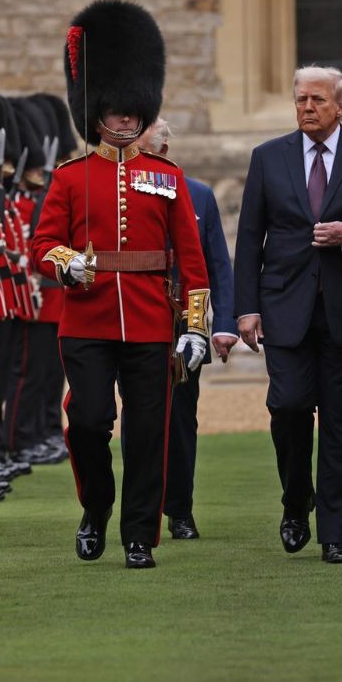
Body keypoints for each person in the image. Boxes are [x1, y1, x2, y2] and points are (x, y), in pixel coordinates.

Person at [31, 0, 210, 569]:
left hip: (152, 321)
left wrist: (196, 327)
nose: (127, 118)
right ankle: (96, 508)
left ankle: (139, 536)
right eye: (116, 108)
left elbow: (190, 260)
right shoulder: (70, 177)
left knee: (148, 434)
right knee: (87, 421)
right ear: (97, 109)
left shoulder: (167, 178)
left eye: (135, 109)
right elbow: (41, 244)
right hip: (86, 319)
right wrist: (67, 263)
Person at [232, 66, 342, 564]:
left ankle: (338, 534)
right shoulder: (268, 158)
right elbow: (249, 239)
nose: (307, 107)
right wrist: (245, 308)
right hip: (285, 307)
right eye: (299, 99)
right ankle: (296, 499)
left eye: (316, 99)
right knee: (288, 406)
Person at [134, 119, 236, 540]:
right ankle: (142, 509)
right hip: (137, 315)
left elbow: (217, 265)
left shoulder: (197, 195)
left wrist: (222, 323)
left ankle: (179, 508)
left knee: (181, 419)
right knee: (141, 417)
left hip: (182, 317)